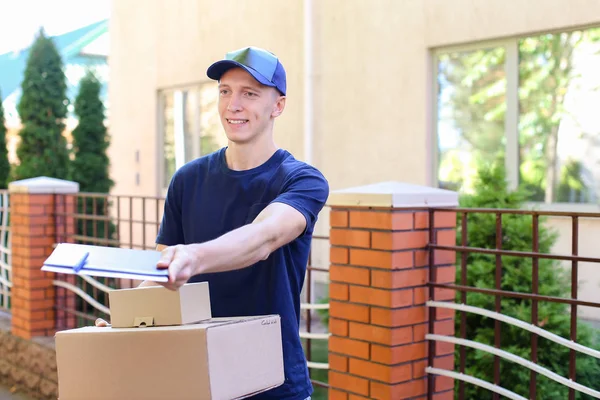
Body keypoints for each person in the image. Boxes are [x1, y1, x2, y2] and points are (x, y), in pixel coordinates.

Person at [96, 46, 329, 400]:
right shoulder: (187, 179)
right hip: (196, 376)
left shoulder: (301, 180)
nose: (233, 104)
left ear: (277, 106)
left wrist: (193, 256)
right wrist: (124, 322)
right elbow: (167, 279)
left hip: (273, 382)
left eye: (249, 94)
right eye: (225, 91)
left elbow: (263, 238)